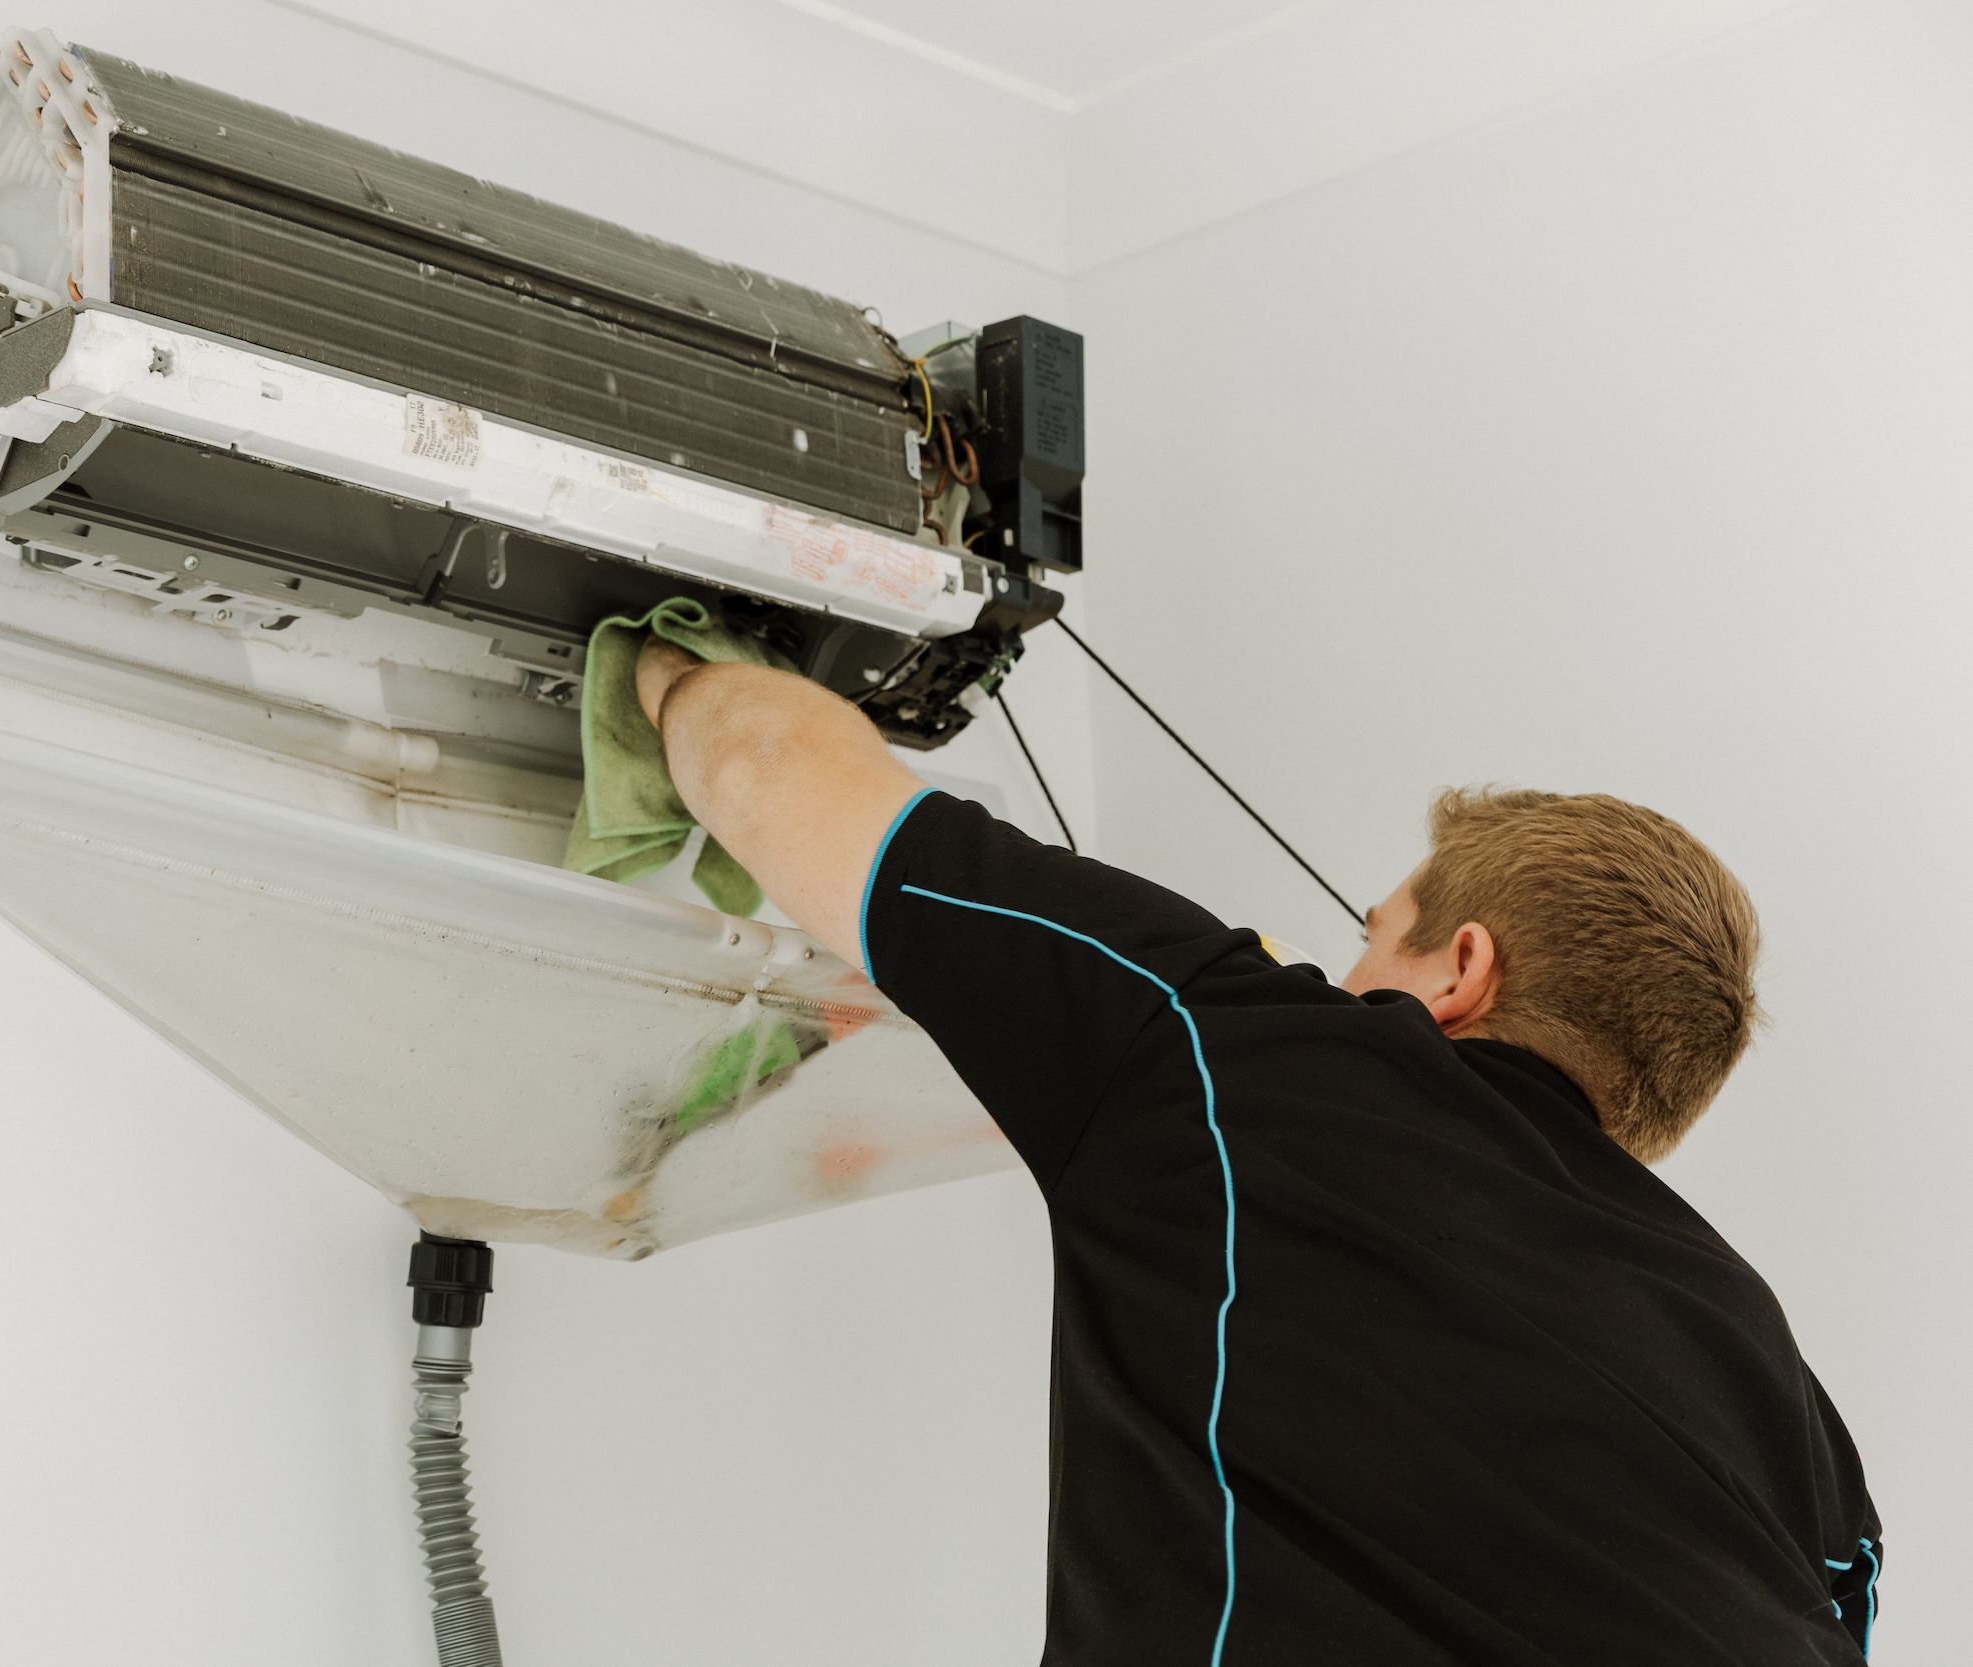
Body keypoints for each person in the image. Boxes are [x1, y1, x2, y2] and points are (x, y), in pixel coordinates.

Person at [634, 639, 1882, 1665]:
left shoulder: (1238, 1046)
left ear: (1462, 968)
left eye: (1374, 934)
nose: (1346, 976)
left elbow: (756, 758)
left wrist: (651, 649)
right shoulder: (1798, 1419)